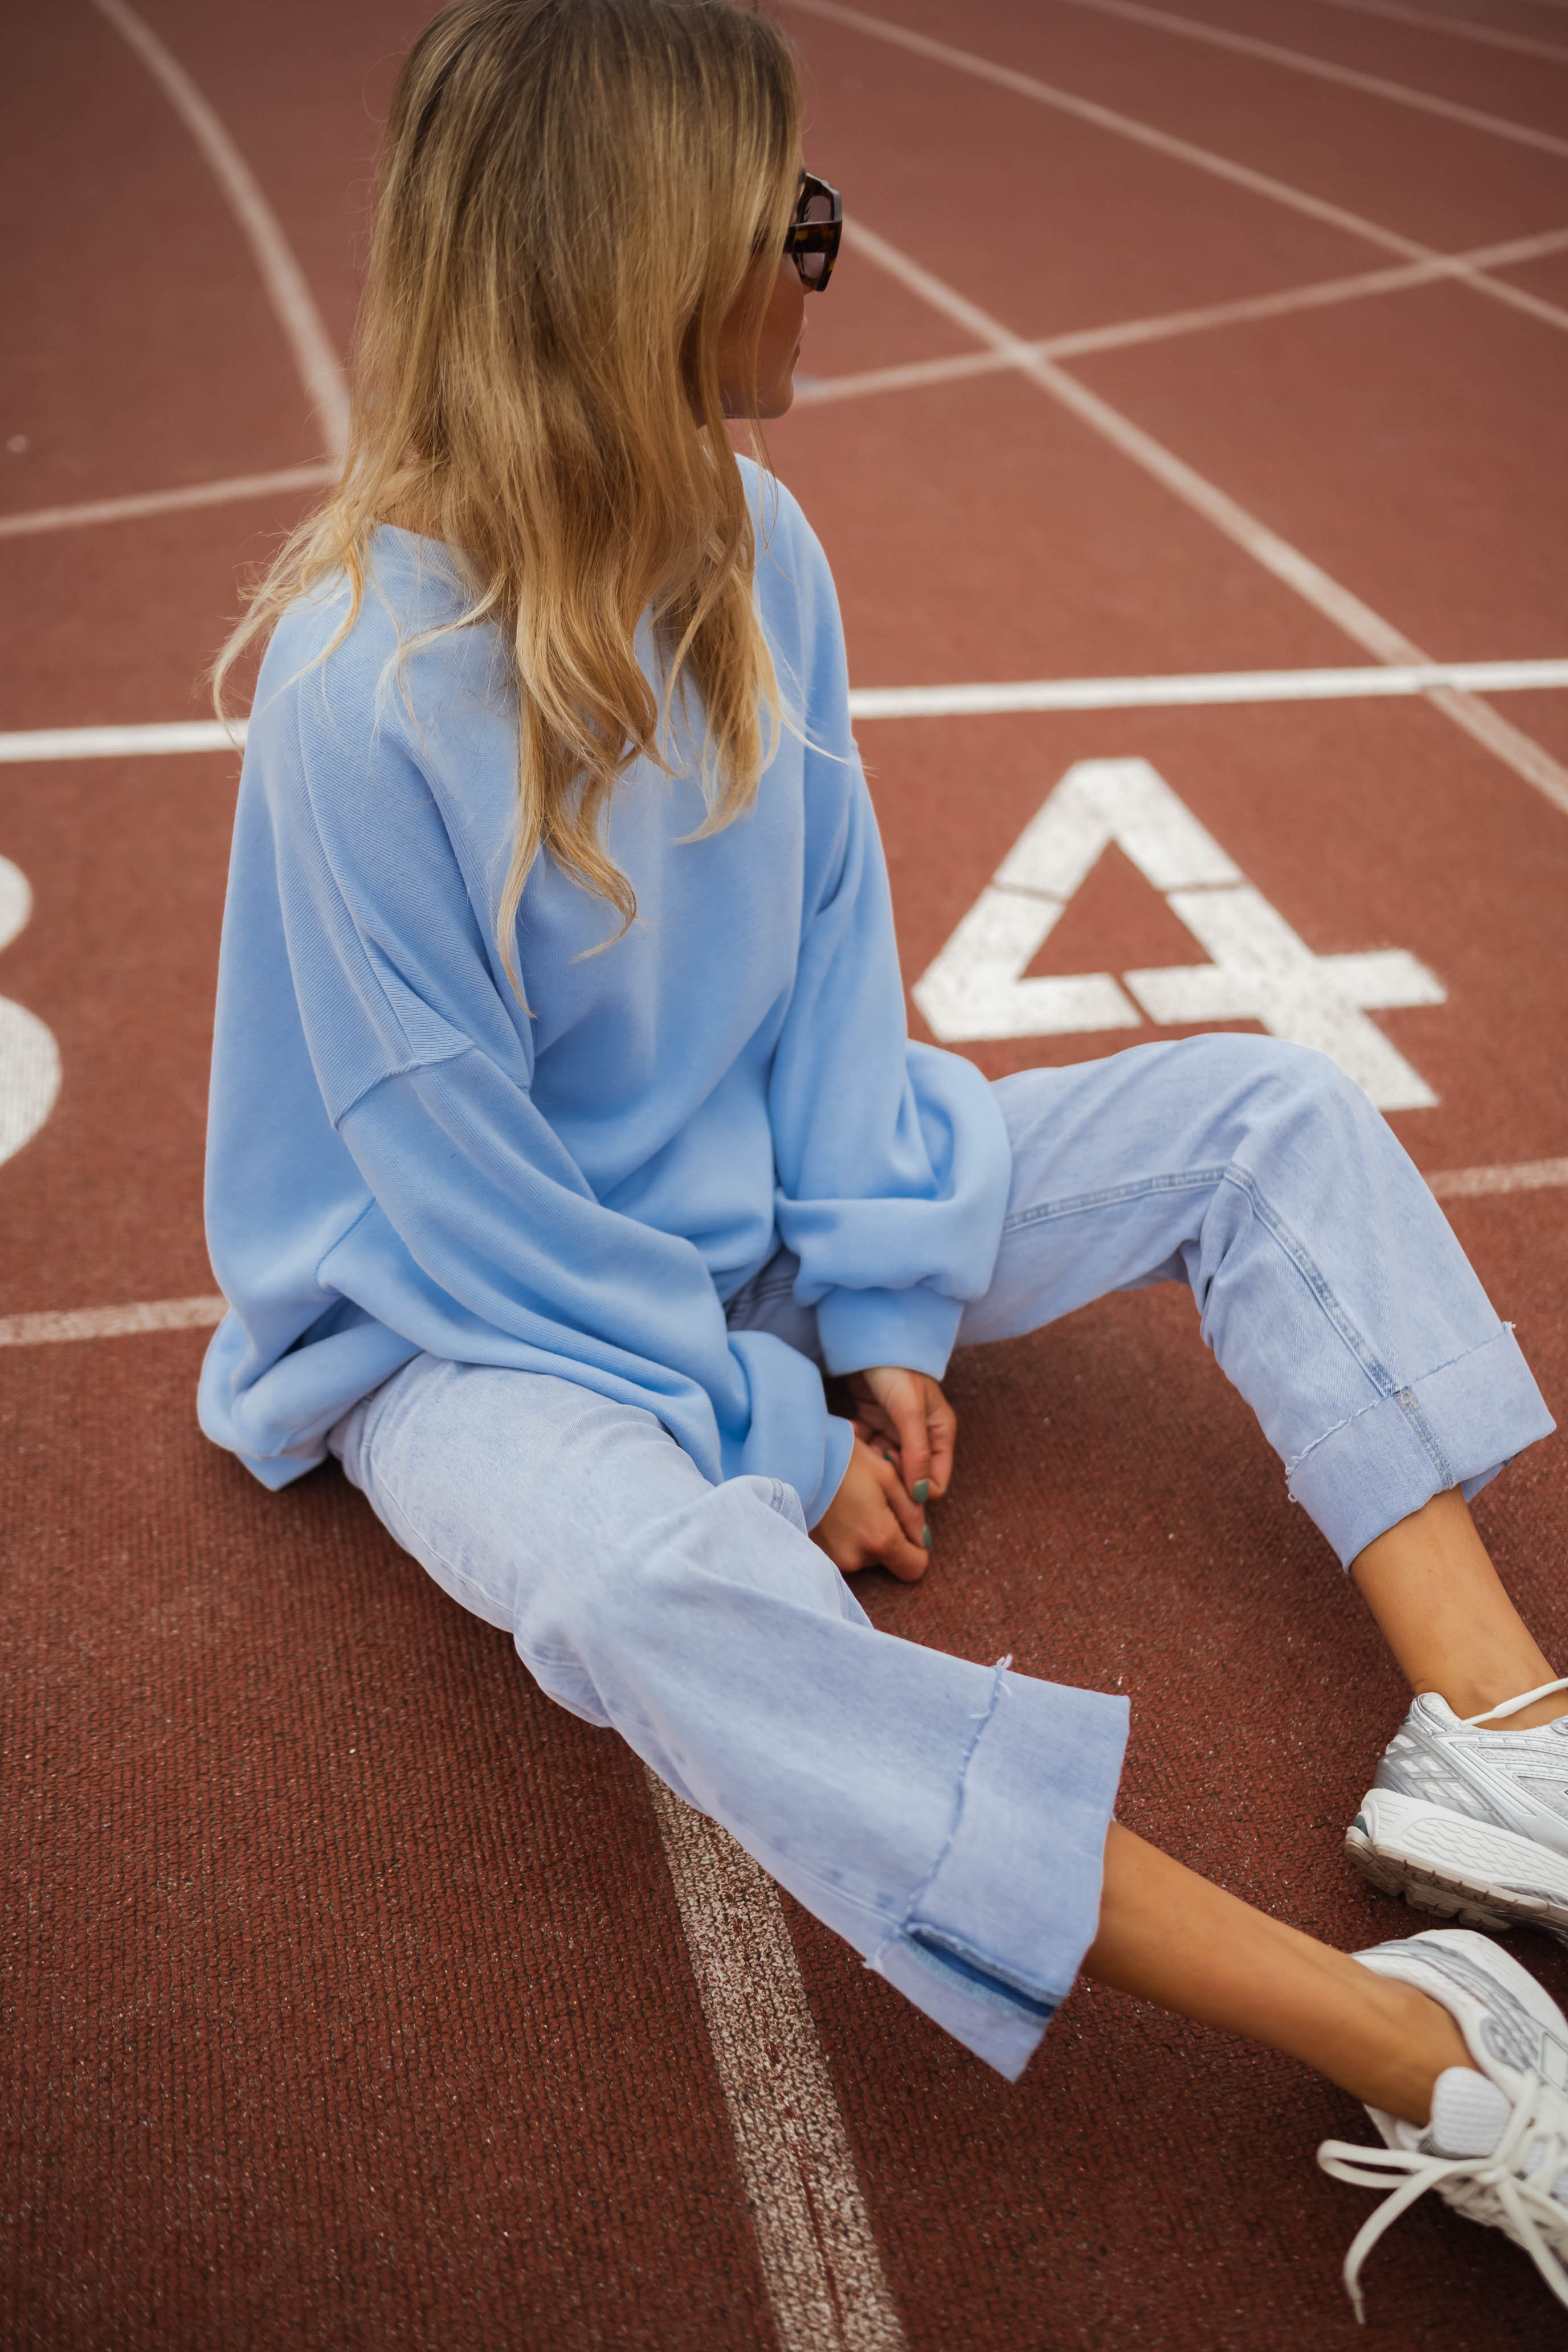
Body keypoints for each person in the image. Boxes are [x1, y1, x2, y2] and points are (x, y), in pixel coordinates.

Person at [199, 0, 1568, 2316]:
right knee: (659, 1594)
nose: (829, 263)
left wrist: (887, 1290)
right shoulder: (356, 690)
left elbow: (838, 958)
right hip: (462, 1327)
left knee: (1264, 1103)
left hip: (749, 1208)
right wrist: (756, 1429)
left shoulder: (756, 545)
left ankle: (1504, 1741)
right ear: (639, 267)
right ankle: (1427, 2039)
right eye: (792, 228)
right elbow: (454, 1188)